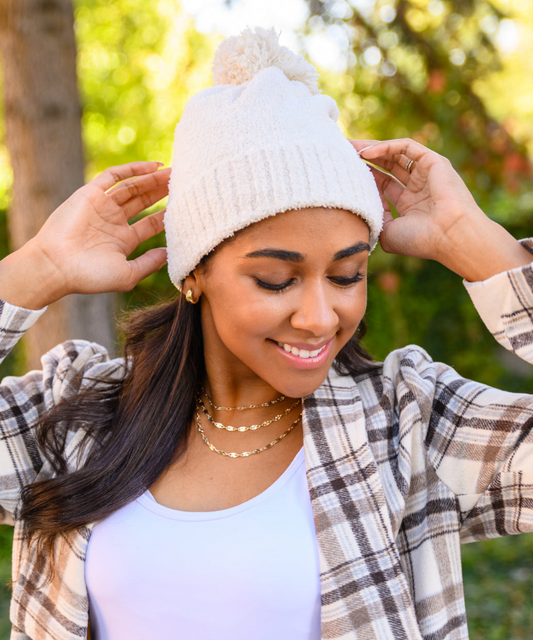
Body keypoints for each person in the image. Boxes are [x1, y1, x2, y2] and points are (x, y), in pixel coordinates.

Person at [0, 26, 532, 640]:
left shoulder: (407, 425)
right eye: (277, 279)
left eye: (346, 274)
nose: (319, 316)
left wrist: (477, 242)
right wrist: (35, 270)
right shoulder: (79, 420)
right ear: (194, 273)